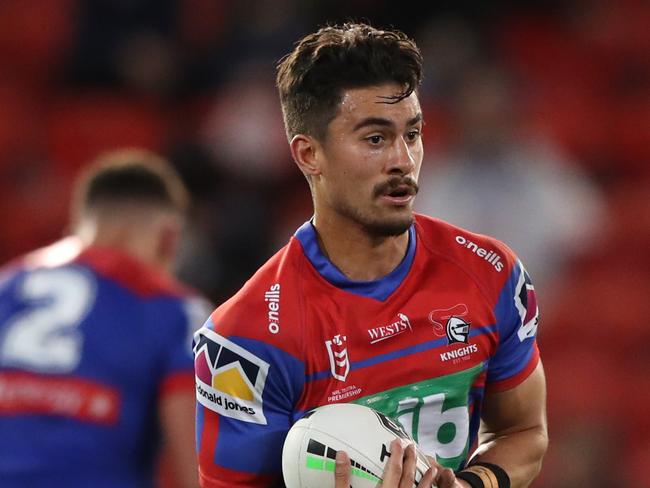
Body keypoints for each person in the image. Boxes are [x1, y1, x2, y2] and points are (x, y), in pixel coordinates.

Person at [194, 23, 547, 488]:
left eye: (413, 134)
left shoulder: (491, 273)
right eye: (375, 139)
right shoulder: (245, 341)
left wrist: (471, 484)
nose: (403, 159)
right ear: (308, 155)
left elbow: (523, 431)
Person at [0, 149, 209, 487]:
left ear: (76, 227)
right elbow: (199, 470)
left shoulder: (6, 286)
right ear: (169, 240)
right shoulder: (172, 308)